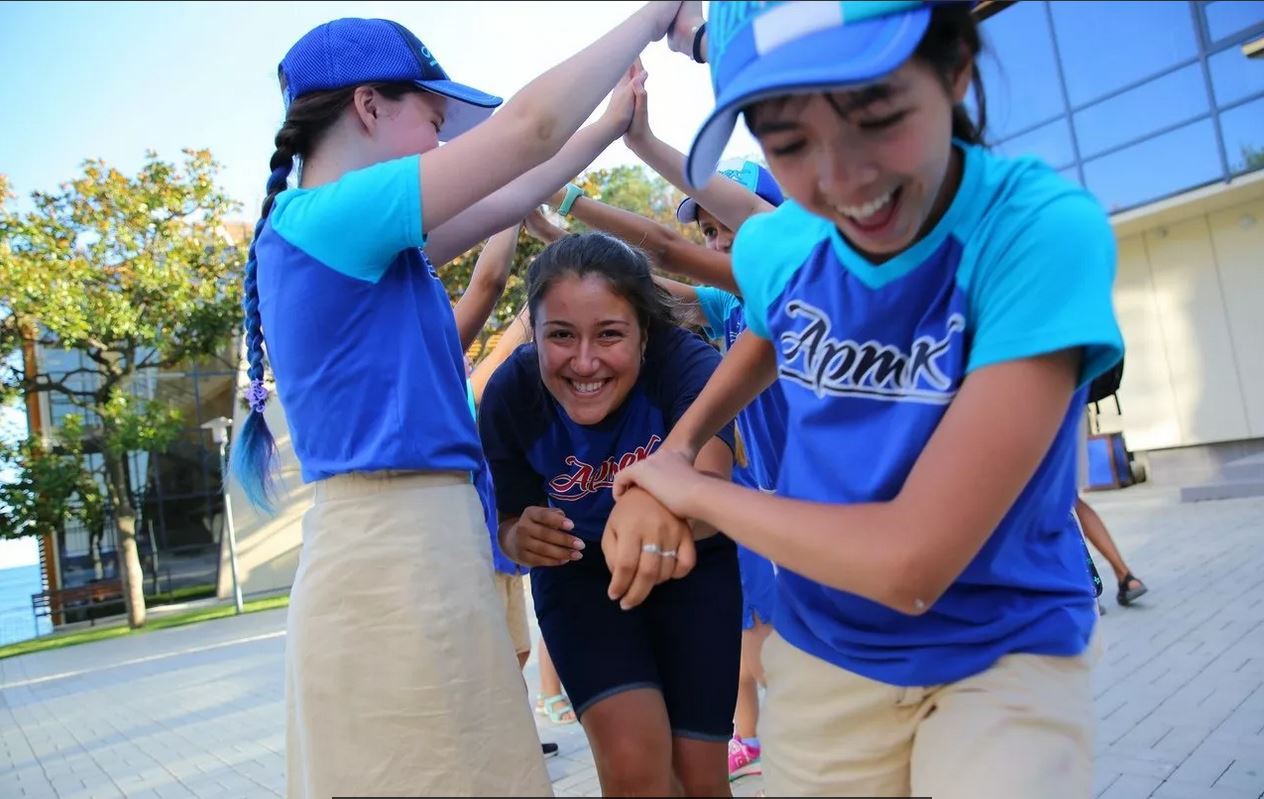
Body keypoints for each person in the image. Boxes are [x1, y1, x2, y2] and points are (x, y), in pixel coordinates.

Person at [611, 3, 1125, 798]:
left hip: (1002, 652)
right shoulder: (790, 246)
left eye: (877, 117)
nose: (844, 182)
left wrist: (690, 488)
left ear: (955, 70)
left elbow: (911, 562)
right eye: (788, 143)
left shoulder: (1034, 232)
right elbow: (772, 335)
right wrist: (673, 452)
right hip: (826, 658)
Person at [229, 6, 685, 796]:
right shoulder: (332, 217)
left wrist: (612, 127)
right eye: (432, 120)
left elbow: (513, 192)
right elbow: (528, 130)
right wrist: (651, 17)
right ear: (368, 106)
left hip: (413, 551)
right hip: (397, 562)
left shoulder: (348, 236)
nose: (442, 145)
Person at [527, 151, 786, 781]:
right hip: (763, 491)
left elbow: (666, 249)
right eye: (710, 231)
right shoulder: (730, 307)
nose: (716, 240)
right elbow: (637, 287)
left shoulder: (792, 272)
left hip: (815, 492)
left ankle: (753, 729)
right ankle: (752, 728)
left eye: (727, 225)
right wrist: (556, 236)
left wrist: (568, 198)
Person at [478, 233, 742, 796]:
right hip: (580, 578)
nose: (585, 361)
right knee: (632, 770)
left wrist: (658, 502)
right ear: (536, 335)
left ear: (645, 333)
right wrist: (518, 536)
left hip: (692, 571)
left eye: (610, 334)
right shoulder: (513, 393)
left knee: (699, 780)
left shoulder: (683, 360)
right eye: (560, 336)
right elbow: (507, 521)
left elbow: (712, 483)